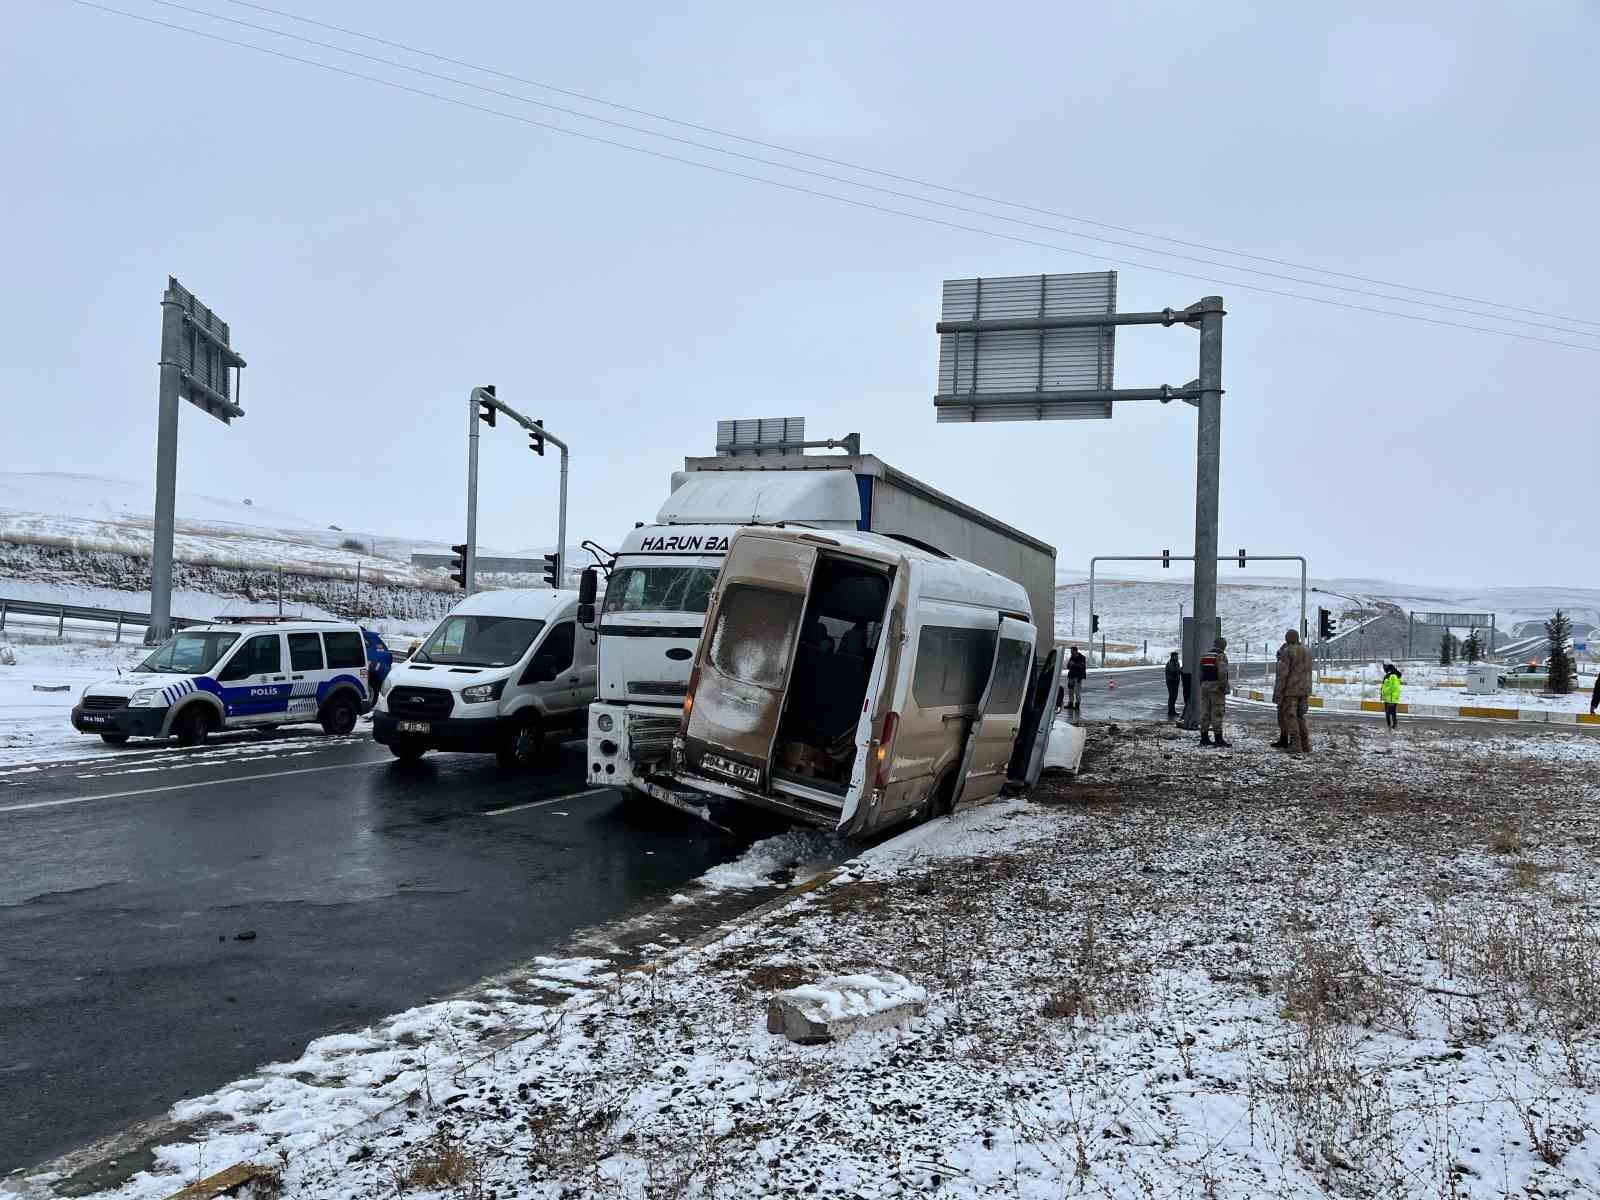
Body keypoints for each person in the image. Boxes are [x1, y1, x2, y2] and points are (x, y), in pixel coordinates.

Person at [1277, 629, 1314, 753]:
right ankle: (1305, 745)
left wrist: (1279, 692)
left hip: (1291, 690)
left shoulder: (1287, 652)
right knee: (1300, 716)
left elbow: (1283, 674)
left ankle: (1296, 744)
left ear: (1287, 639)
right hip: (1305, 689)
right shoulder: (1307, 651)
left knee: (1291, 716)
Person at [1198, 636, 1231, 747]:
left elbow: (1200, 672)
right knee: (1217, 712)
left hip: (1205, 687)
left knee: (1205, 712)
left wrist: (1202, 684)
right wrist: (1224, 687)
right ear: (1223, 646)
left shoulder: (1206, 655)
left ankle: (1204, 737)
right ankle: (1218, 738)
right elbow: (1222, 673)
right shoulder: (1220, 656)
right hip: (1216, 688)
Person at [1270, 637, 1291, 748]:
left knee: (1285, 718)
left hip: (1286, 694)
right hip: (1289, 693)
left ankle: (1286, 740)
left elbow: (1282, 680)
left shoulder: (1285, 662)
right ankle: (1284, 739)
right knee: (1283, 718)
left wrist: (1278, 695)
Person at [1380, 663, 1403, 730]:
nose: (1384, 669)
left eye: (1385, 667)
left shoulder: (1392, 675)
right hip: (1388, 698)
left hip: (1391, 698)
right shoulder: (1389, 675)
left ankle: (1393, 727)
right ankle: (1390, 727)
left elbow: (1394, 687)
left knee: (1391, 714)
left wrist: (1385, 691)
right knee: (1388, 714)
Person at [1065, 645, 1088, 711]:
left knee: (1077, 691)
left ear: (1076, 651)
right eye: (1071, 652)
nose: (1071, 653)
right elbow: (1068, 666)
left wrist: (1074, 664)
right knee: (1070, 691)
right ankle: (1070, 703)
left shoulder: (1082, 657)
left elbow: (1082, 667)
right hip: (1071, 676)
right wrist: (1070, 664)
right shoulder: (1072, 657)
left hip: (1078, 677)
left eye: (1072, 651)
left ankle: (1077, 704)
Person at [1164, 651, 1181, 720]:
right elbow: (1173, 671)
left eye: (1177, 656)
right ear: (1172, 656)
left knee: (1174, 696)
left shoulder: (1177, 662)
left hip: (1176, 681)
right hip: (1171, 682)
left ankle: (1173, 711)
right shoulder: (1170, 663)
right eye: (1175, 656)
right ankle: (1170, 711)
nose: (1177, 657)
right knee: (1172, 696)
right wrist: (1180, 670)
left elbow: (1177, 670)